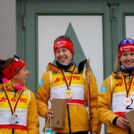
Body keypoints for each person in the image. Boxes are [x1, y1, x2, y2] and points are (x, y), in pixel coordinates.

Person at [36, 35, 100, 134]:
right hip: (56, 128)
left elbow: (94, 104)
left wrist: (95, 129)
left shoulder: (85, 74)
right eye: (57, 51)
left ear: (72, 52)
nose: (61, 54)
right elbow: (40, 100)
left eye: (64, 50)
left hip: (81, 129)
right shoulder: (48, 75)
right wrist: (45, 112)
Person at [97, 38, 134, 134]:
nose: (129, 58)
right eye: (125, 54)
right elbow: (100, 108)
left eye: (132, 54)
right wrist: (114, 119)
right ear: (119, 58)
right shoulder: (110, 81)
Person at [0, 55, 39, 134]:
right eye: (24, 70)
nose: (28, 72)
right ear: (15, 74)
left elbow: (33, 124)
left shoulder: (29, 95)